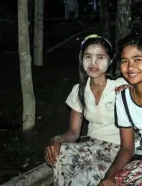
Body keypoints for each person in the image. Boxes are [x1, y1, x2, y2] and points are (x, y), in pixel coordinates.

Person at [44, 34, 127, 186]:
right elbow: (74, 133)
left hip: (119, 149)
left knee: (88, 174)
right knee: (61, 154)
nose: (93, 62)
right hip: (93, 145)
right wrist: (56, 140)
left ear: (110, 61)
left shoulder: (121, 86)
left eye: (100, 57)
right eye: (88, 56)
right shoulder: (79, 90)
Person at [99, 33, 142, 186]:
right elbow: (127, 147)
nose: (130, 67)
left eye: (137, 60)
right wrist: (109, 176)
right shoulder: (123, 98)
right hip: (141, 161)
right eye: (124, 61)